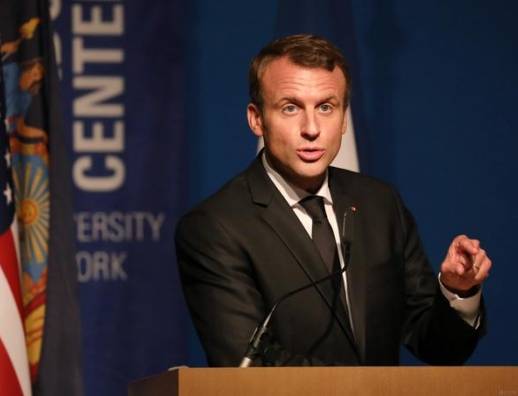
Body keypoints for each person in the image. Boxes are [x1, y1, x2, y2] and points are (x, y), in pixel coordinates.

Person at [175, 34, 491, 367]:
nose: (311, 128)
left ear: (343, 119)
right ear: (257, 119)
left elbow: (439, 349)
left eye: (326, 107)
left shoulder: (380, 205)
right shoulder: (216, 227)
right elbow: (247, 364)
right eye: (290, 107)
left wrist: (458, 291)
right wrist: (370, 389)